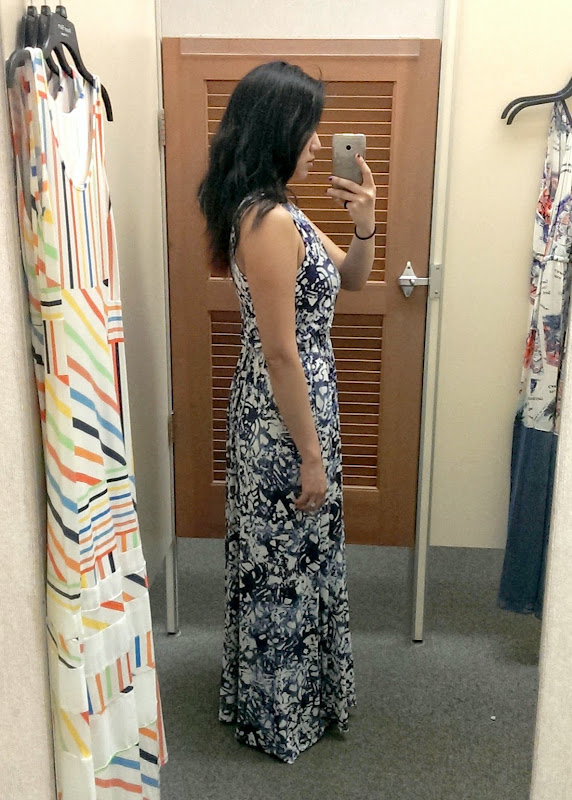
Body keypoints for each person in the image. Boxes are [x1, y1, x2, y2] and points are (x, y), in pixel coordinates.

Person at [197, 60, 376, 764]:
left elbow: (352, 282)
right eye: (310, 129)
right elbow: (279, 353)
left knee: (299, 555)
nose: (320, 142)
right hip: (282, 422)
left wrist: (365, 224)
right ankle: (277, 715)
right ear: (279, 130)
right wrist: (309, 454)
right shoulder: (267, 221)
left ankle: (299, 698)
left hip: (300, 410)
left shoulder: (286, 211)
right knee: (282, 561)